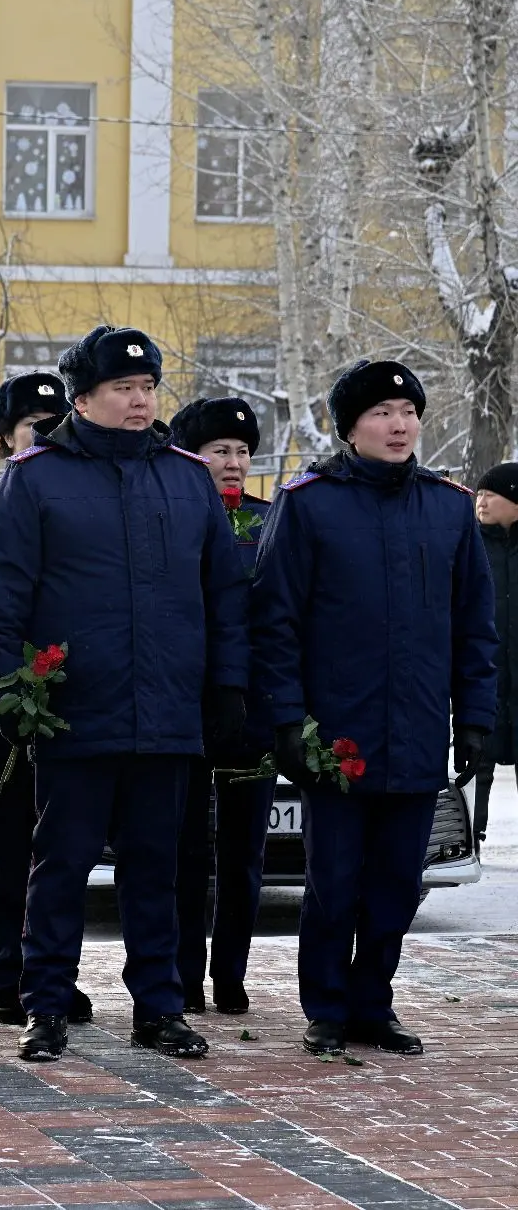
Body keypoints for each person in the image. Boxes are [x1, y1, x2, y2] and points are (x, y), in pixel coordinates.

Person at [0, 326, 248, 1064]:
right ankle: (45, 1004)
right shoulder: (35, 478)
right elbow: (1, 598)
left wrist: (227, 685)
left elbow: (224, 594)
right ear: (83, 399)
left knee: (156, 869)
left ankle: (159, 1008)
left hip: (166, 711)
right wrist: (11, 692)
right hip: (73, 711)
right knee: (61, 864)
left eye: (148, 387)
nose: (139, 401)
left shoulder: (187, 478)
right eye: (123, 388)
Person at [254, 359, 496, 1057]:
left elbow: (474, 626)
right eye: (382, 413)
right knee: (333, 881)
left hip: (415, 728)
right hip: (337, 734)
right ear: (350, 427)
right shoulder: (309, 504)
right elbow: (275, 622)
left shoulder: (448, 507)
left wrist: (475, 718)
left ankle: (373, 1004)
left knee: (397, 883)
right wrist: (287, 720)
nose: (399, 425)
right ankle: (326, 1007)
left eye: (409, 412)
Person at [0, 372, 89, 1030]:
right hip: (3, 699)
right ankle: (2, 968)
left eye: (54, 425)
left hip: (70, 699)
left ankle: (52, 972)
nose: (45, 437)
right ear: (4, 438)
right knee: (3, 842)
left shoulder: (78, 491)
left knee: (61, 847)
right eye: (32, 428)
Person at [168, 397, 274, 1017]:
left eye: (242, 452)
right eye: (219, 452)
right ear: (193, 456)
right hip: (184, 708)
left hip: (249, 713)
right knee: (184, 853)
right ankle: (184, 976)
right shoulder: (174, 518)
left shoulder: (269, 521)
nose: (233, 463)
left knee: (243, 854)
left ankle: (230, 973)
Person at [476, 462, 518, 840]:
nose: (482, 502)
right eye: (480, 494)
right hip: (483, 678)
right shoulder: (469, 545)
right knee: (476, 768)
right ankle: (469, 843)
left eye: (491, 495)